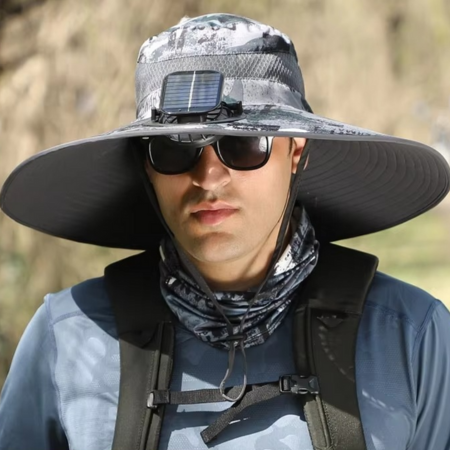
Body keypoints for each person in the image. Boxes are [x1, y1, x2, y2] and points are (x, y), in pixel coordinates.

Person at [0, 13, 450, 450]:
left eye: (243, 144)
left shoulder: (410, 338)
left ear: (296, 151)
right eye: (174, 149)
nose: (209, 178)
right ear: (146, 166)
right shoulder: (68, 338)